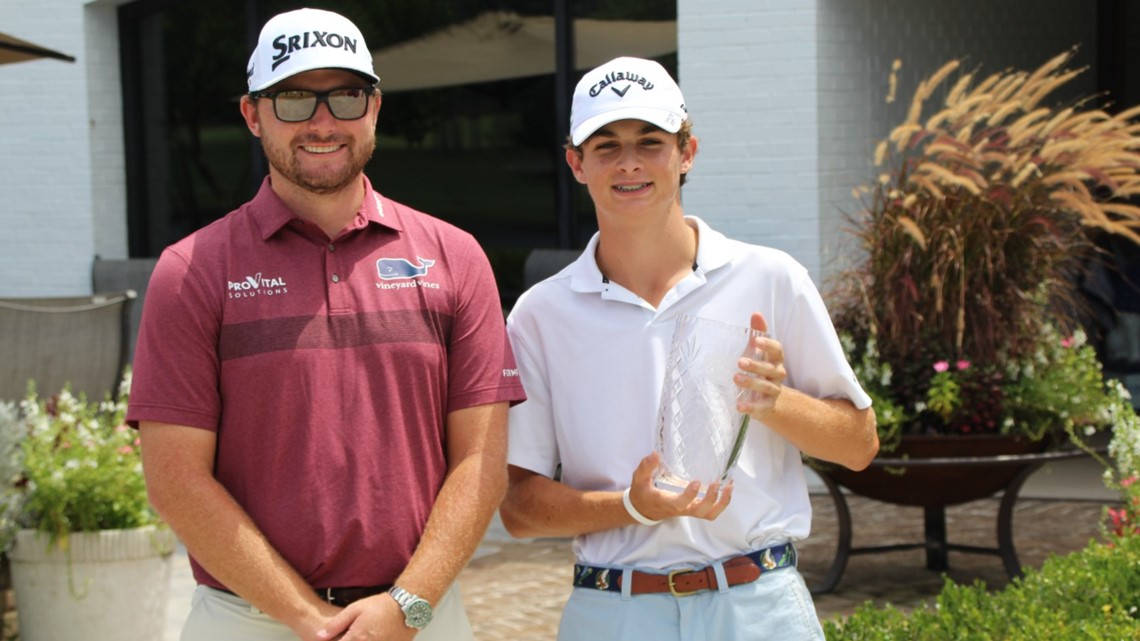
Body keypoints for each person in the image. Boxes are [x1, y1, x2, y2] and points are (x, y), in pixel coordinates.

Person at [127, 8, 525, 641]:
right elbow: (175, 481)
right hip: (248, 619)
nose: (321, 122)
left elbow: (481, 463)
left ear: (374, 108)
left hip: (420, 617)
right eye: (291, 99)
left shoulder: (455, 256)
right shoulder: (191, 271)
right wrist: (309, 620)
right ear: (252, 116)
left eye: (345, 96)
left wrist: (408, 604)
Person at [500, 56, 879, 641]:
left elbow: (859, 446)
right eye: (606, 146)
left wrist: (774, 402)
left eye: (650, 142)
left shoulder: (769, 278)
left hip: (759, 607)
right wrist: (631, 506)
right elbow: (519, 509)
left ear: (688, 153)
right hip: (615, 611)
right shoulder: (540, 315)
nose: (629, 162)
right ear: (576, 163)